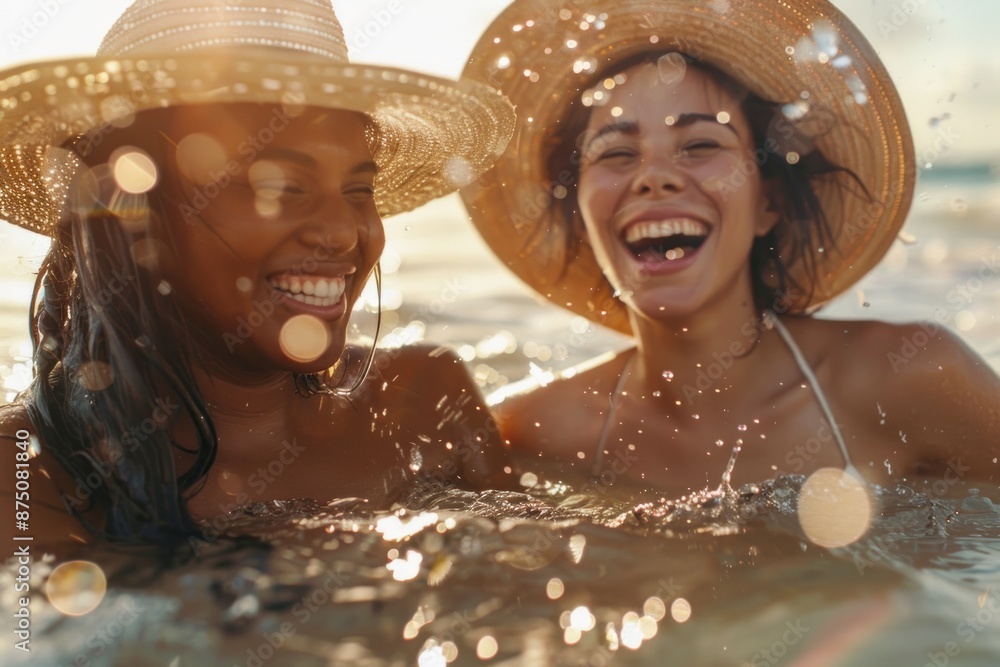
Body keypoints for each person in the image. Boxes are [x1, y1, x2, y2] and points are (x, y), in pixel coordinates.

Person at [0, 0, 516, 547]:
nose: (343, 232)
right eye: (280, 187)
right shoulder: (29, 477)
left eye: (357, 190)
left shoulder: (424, 401)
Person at [459, 0, 1000, 498]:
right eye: (616, 153)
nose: (654, 177)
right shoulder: (532, 433)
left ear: (769, 201)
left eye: (699, 145)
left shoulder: (911, 379)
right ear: (582, 216)